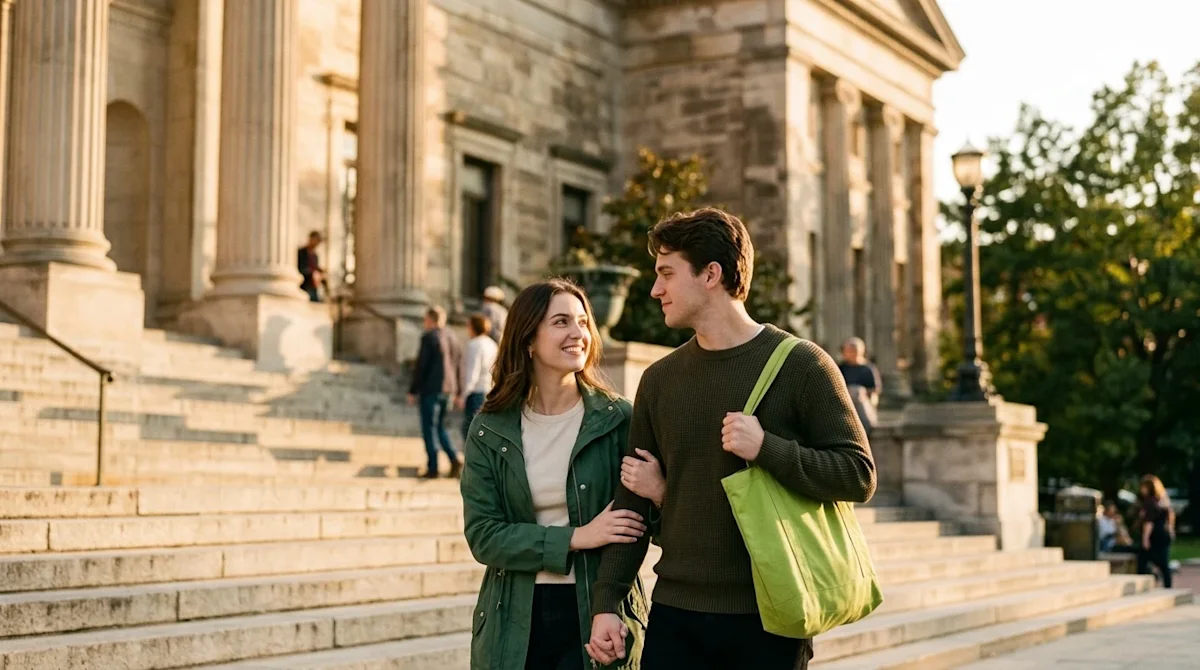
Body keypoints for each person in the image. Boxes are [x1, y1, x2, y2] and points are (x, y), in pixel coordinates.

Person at [586, 208, 876, 670]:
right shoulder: (659, 380)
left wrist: (768, 449)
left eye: (666, 274)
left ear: (711, 275)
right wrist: (607, 602)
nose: (655, 289)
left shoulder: (803, 365)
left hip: (770, 617)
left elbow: (859, 475)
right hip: (675, 614)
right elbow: (630, 503)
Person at [459, 279, 653, 670]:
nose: (578, 333)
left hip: (598, 611)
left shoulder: (618, 419)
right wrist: (578, 537)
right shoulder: (489, 429)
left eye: (583, 322)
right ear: (529, 339)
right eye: (562, 322)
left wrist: (660, 493)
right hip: (513, 616)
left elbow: (640, 523)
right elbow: (484, 535)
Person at [407, 306, 464, 478]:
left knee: (429, 428)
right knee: (439, 427)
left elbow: (421, 366)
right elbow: (458, 366)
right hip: (449, 389)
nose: (425, 323)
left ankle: (433, 467)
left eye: (425, 319)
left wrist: (413, 389)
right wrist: (458, 390)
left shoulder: (429, 337)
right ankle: (454, 458)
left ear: (431, 320)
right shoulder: (453, 337)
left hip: (432, 389)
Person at [458, 313, 499, 444]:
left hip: (475, 392)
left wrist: (463, 395)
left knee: (469, 430)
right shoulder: (492, 344)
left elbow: (472, 372)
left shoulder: (474, 345)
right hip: (488, 389)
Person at [1135, 474, 1175, 587]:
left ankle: (1141, 583)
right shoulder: (1163, 500)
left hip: (1154, 535)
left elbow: (1149, 522)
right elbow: (1169, 518)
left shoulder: (1149, 502)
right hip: (1164, 534)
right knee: (1163, 562)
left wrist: (1145, 538)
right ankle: (1168, 585)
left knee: (1143, 560)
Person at [838, 337, 881, 436]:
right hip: (844, 403)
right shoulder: (840, 368)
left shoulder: (868, 368)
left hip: (863, 403)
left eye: (854, 350)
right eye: (848, 350)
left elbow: (874, 391)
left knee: (857, 391)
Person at [298, 231, 325, 302]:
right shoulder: (301, 252)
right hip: (304, 285)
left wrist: (320, 272)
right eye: (316, 240)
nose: (316, 244)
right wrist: (312, 273)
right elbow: (301, 268)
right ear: (310, 239)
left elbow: (315, 267)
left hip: (313, 286)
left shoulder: (315, 256)